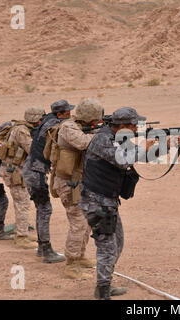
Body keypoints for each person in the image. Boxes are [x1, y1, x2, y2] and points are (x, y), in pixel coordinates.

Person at [80, 106, 176, 300]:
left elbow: (144, 157)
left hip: (106, 201)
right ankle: (103, 292)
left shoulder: (118, 139)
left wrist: (167, 146)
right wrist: (145, 146)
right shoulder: (102, 139)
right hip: (97, 201)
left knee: (117, 243)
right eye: (133, 126)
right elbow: (122, 159)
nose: (135, 130)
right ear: (122, 125)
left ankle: (104, 284)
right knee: (107, 246)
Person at [51, 98, 103, 279]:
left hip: (80, 182)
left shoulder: (82, 127)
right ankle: (71, 264)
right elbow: (83, 143)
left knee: (87, 221)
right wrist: (103, 134)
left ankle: (80, 256)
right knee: (78, 222)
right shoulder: (68, 127)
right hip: (68, 184)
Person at [22, 100, 72, 263]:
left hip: (32, 169)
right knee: (44, 209)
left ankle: (42, 247)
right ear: (59, 114)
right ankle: (46, 250)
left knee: (41, 209)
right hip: (35, 171)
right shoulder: (54, 125)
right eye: (67, 113)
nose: (69, 115)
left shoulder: (47, 121)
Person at [0, 107, 44, 249]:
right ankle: (21, 237)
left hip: (15, 169)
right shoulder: (22, 131)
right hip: (14, 171)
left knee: (21, 202)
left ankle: (21, 232)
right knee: (22, 203)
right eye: (41, 118)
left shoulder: (20, 128)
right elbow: (31, 149)